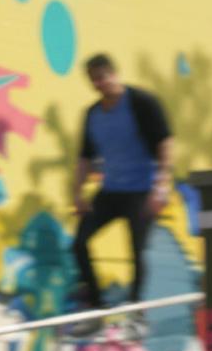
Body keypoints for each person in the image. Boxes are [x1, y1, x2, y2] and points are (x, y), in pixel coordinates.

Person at [71, 54, 176, 318]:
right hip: (111, 190)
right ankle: (95, 303)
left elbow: (165, 144)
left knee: (138, 250)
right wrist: (77, 193)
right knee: (79, 242)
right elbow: (84, 157)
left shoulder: (142, 102)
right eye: (94, 80)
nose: (99, 84)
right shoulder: (93, 115)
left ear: (114, 75)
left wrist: (161, 187)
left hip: (142, 190)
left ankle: (135, 308)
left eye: (103, 77)